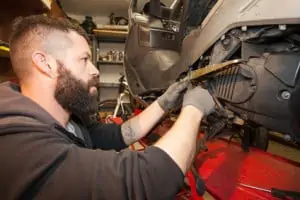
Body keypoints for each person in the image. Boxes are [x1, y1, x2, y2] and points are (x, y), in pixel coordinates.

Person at [0, 15, 215, 200]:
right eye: (84, 59)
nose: (95, 70)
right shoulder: (18, 147)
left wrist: (163, 104)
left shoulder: (68, 120)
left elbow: (115, 135)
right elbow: (149, 181)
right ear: (45, 64)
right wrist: (194, 108)